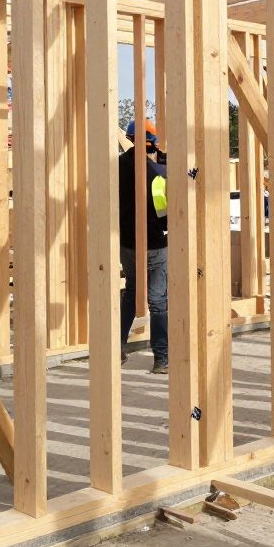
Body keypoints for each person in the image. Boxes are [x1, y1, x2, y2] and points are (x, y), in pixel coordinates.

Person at [118, 119, 169, 372]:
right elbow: (164, 214)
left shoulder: (116, 166)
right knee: (158, 301)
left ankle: (117, 348)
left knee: (131, 292)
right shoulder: (156, 174)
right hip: (154, 244)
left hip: (126, 244)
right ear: (152, 141)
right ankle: (162, 358)